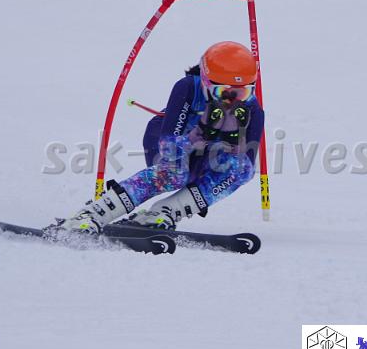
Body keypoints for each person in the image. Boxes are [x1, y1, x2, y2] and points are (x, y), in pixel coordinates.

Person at [51, 41, 265, 234]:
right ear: (205, 81)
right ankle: (93, 213)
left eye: (242, 93)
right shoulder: (188, 88)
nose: (231, 101)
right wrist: (197, 134)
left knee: (242, 169)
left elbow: (244, 166)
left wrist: (235, 140)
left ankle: (164, 212)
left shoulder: (253, 110)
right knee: (174, 173)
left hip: (206, 154)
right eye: (222, 92)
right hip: (168, 141)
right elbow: (169, 148)